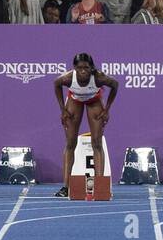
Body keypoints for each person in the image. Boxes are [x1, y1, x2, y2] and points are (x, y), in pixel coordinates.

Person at [51, 53, 120, 197]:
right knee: (70, 144)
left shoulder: (99, 77)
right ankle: (66, 187)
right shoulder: (69, 78)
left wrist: (107, 109)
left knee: (97, 143)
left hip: (94, 101)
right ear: (74, 68)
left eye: (86, 68)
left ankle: (100, 186)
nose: (83, 71)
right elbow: (56, 84)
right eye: (79, 68)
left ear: (91, 68)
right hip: (74, 100)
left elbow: (115, 85)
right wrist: (62, 110)